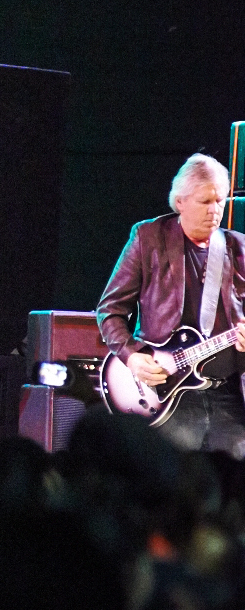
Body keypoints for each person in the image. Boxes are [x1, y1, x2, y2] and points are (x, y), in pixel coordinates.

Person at [97, 152, 245, 457]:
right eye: (205, 202)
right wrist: (131, 357)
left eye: (221, 201)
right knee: (169, 490)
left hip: (228, 393)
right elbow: (109, 310)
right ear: (180, 202)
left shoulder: (239, 247)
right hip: (167, 393)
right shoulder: (149, 237)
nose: (215, 211)